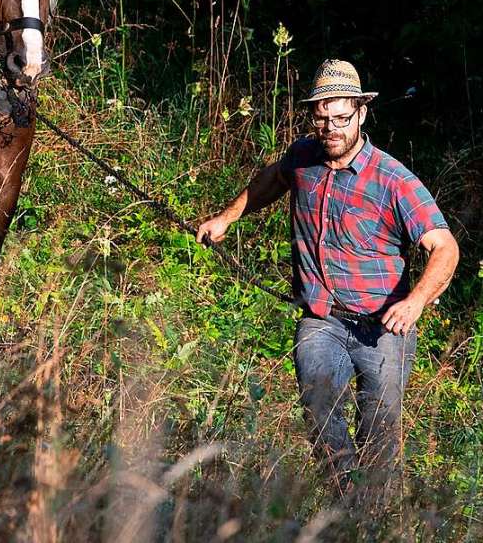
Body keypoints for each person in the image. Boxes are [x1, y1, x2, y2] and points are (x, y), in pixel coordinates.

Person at [196, 59, 459, 504]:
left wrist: (414, 303)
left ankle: (373, 516)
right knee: (321, 413)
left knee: (379, 437)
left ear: (361, 113)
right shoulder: (304, 158)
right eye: (322, 118)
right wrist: (226, 217)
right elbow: (272, 180)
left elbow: (445, 248)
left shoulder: (394, 180)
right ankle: (344, 507)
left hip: (384, 329)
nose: (331, 127)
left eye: (341, 117)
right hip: (321, 320)